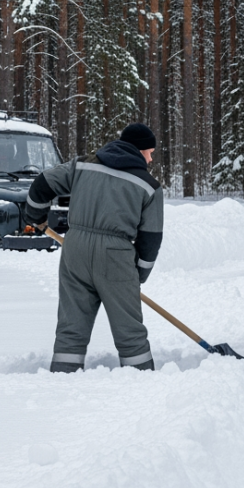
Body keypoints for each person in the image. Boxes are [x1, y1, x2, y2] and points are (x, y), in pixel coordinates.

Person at [24, 123, 164, 373]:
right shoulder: (148, 186)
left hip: (74, 250)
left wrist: (35, 215)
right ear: (139, 150)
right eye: (150, 152)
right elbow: (150, 238)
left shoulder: (82, 165)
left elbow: (42, 184)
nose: (151, 158)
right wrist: (138, 275)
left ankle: (62, 377)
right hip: (116, 256)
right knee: (128, 328)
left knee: (72, 323)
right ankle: (143, 380)